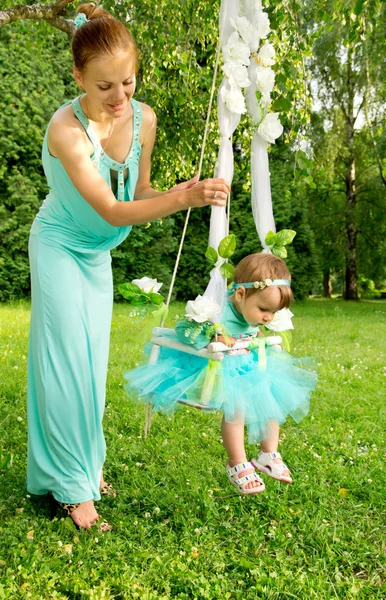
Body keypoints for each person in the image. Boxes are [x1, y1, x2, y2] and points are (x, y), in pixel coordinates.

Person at [27, 2, 230, 531]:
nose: (120, 99)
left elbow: (138, 195)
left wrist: (182, 192)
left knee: (89, 369)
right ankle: (74, 491)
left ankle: (80, 471)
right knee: (67, 366)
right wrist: (183, 199)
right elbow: (113, 210)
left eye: (128, 82)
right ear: (78, 78)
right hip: (59, 246)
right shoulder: (64, 131)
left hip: (97, 255)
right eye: (104, 88)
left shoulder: (144, 120)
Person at [124, 253, 317, 496]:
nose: (268, 317)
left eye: (273, 312)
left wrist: (256, 336)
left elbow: (250, 330)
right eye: (263, 310)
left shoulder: (252, 312)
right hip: (218, 367)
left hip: (249, 363)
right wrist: (211, 335)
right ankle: (237, 463)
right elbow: (185, 329)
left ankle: (269, 453)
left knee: (272, 402)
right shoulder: (217, 308)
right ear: (240, 295)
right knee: (237, 410)